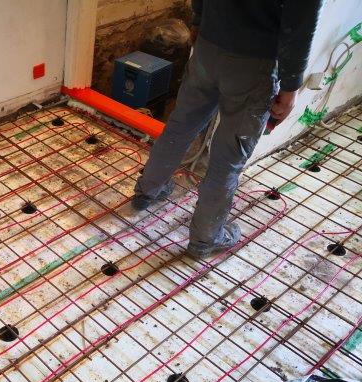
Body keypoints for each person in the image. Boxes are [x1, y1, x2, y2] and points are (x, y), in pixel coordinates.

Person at [132, 0, 323, 258]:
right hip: (254, 63)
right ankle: (205, 238)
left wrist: (199, 19)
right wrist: (291, 86)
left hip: (208, 48)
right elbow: (301, 25)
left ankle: (147, 191)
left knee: (180, 126)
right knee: (228, 156)